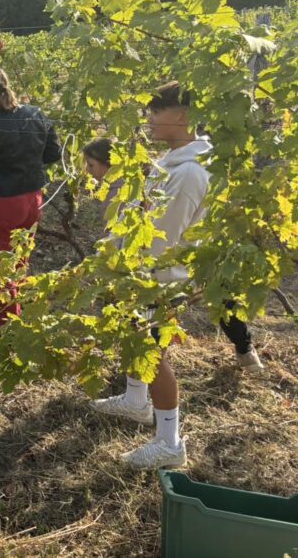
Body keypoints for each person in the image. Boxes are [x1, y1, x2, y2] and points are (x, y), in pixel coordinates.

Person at [88, 81, 250, 469]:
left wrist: (120, 263)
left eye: (155, 112)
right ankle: (134, 399)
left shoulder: (190, 173)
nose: (149, 119)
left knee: (152, 355)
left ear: (183, 116)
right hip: (141, 274)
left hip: (158, 281)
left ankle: (169, 442)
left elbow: (163, 237)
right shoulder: (174, 162)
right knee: (133, 342)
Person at [83, 133, 266, 377]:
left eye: (91, 165)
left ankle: (243, 349)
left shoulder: (149, 180)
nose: (87, 171)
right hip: (182, 247)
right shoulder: (142, 175)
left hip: (196, 248)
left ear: (109, 163)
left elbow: (158, 231)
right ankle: (140, 370)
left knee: (218, 297)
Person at [0, 66, 62, 323]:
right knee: (20, 259)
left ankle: (8, 325)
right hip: (34, 198)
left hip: (4, 201)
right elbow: (53, 153)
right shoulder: (35, 113)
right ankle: (20, 311)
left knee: (0, 264)